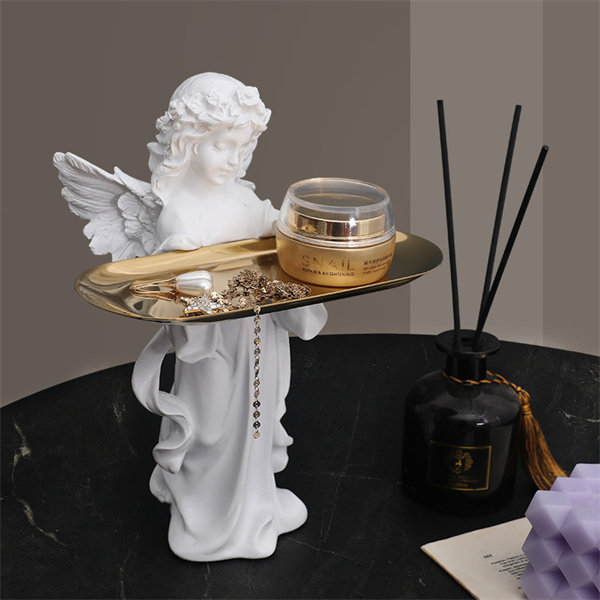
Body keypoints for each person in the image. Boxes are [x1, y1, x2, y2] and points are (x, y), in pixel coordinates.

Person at [131, 73, 327, 561]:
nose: (233, 159)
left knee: (254, 421)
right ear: (187, 142)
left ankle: (255, 502)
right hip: (214, 343)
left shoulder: (243, 198)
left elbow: (275, 237)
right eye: (221, 146)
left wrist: (300, 237)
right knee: (213, 424)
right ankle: (208, 517)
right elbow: (176, 286)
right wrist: (188, 275)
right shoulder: (180, 212)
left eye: (243, 147)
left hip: (260, 333)